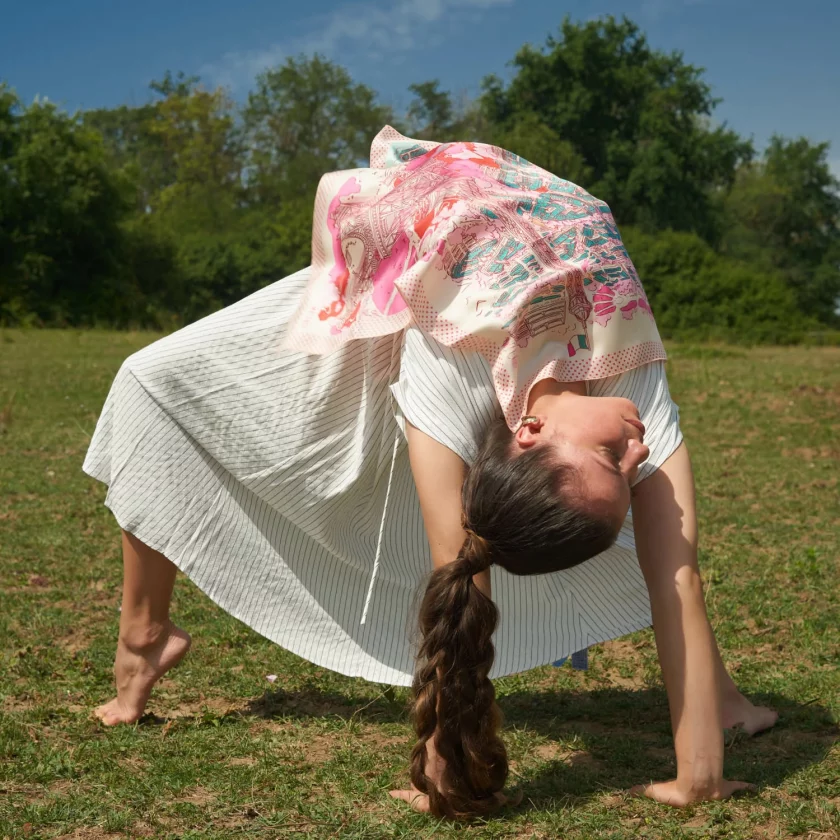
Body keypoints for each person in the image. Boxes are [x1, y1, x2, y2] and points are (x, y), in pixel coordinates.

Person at [82, 128, 777, 820]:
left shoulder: (576, 403)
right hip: (432, 276)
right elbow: (474, 577)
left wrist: (699, 777)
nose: (638, 452)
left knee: (577, 552)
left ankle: (715, 700)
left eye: (620, 471)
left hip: (448, 278)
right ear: (526, 432)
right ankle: (145, 634)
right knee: (152, 379)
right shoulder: (601, 366)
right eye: (619, 464)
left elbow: (664, 573)